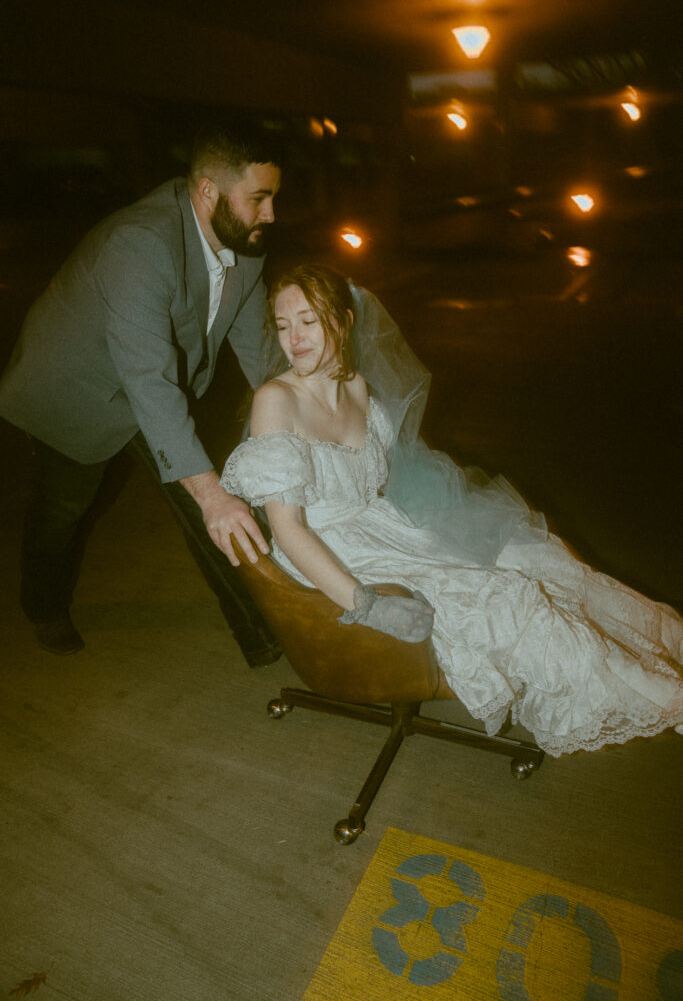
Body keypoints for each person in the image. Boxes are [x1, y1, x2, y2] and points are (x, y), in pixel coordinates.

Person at [220, 263, 683, 757]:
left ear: (344, 319)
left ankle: (670, 644)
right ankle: (667, 699)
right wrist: (366, 602)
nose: (295, 339)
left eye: (309, 321)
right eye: (284, 325)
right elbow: (288, 530)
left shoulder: (357, 389)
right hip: (328, 549)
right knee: (511, 599)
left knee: (542, 562)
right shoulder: (276, 400)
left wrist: (458, 523)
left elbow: (385, 484)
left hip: (382, 528)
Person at [0, 120, 283, 666]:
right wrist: (211, 493)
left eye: (274, 197)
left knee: (209, 500)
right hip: (77, 388)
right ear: (208, 191)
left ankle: (264, 634)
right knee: (63, 509)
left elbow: (260, 352)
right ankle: (43, 605)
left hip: (150, 385)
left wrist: (310, 406)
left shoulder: (245, 246)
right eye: (260, 198)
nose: (271, 214)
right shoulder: (140, 243)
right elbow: (150, 382)